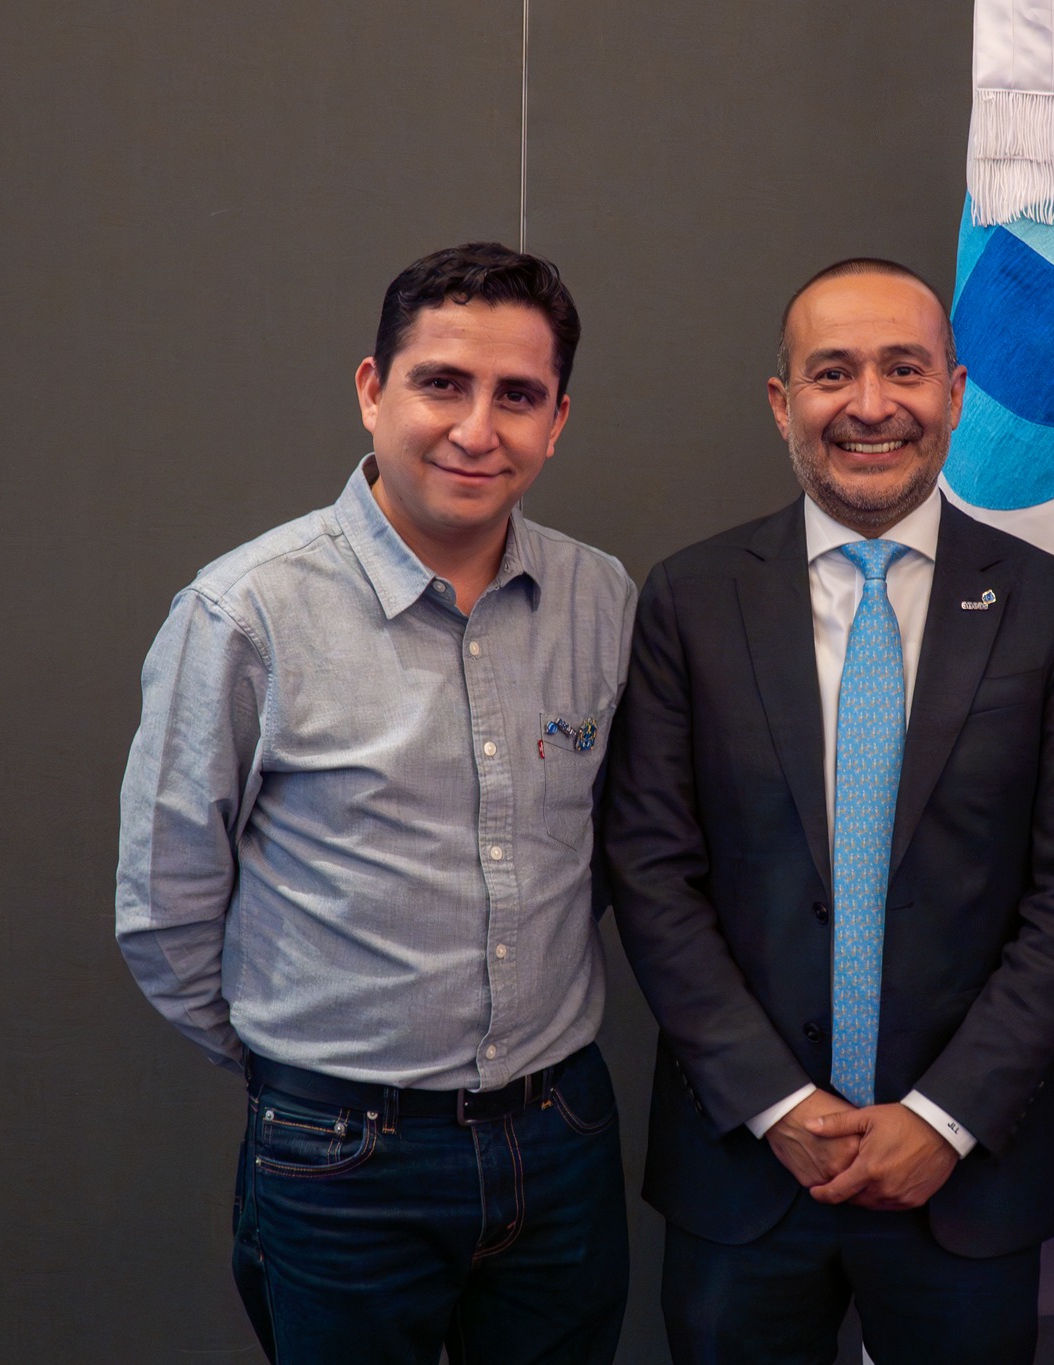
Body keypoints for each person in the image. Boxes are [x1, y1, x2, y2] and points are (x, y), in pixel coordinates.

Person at [116, 242, 633, 1364]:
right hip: (340, 1156)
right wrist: (300, 1072)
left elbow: (601, 857)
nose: (475, 429)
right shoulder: (245, 613)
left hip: (562, 1140)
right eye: (441, 383)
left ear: (557, 421)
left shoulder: (600, 598)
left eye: (517, 396)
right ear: (371, 389)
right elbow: (165, 906)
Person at [605, 258, 1054, 1364]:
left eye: (904, 369)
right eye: (832, 372)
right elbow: (650, 872)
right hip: (743, 1167)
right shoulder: (690, 599)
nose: (871, 404)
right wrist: (774, 1103)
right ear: (781, 401)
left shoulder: (1050, 608)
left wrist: (944, 1117)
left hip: (964, 1176)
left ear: (956, 392)